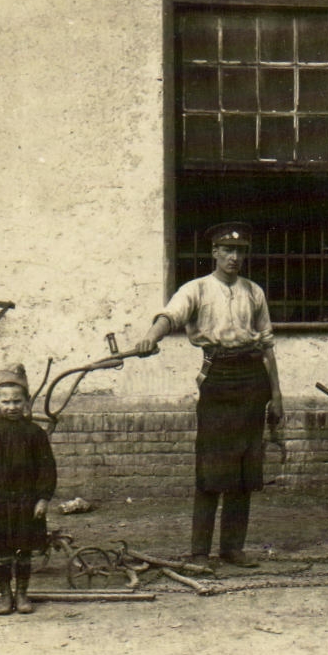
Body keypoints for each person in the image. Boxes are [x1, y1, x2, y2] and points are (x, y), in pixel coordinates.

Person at [134, 221, 283, 567]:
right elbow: (170, 316)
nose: (234, 257)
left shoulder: (254, 292)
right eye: (227, 250)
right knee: (211, 467)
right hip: (218, 378)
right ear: (214, 252)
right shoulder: (196, 289)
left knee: (245, 468)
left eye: (240, 251)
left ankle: (232, 548)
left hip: (252, 380)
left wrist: (276, 395)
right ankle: (199, 551)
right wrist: (151, 337)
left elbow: (267, 346)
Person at [0, 364, 56, 615]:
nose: (12, 407)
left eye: (17, 401)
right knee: (2, 552)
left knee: (24, 550)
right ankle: (5, 595)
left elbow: (47, 469)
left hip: (27, 502)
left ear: (26, 402)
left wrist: (43, 499)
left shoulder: (35, 434)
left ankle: (23, 595)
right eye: (5, 402)